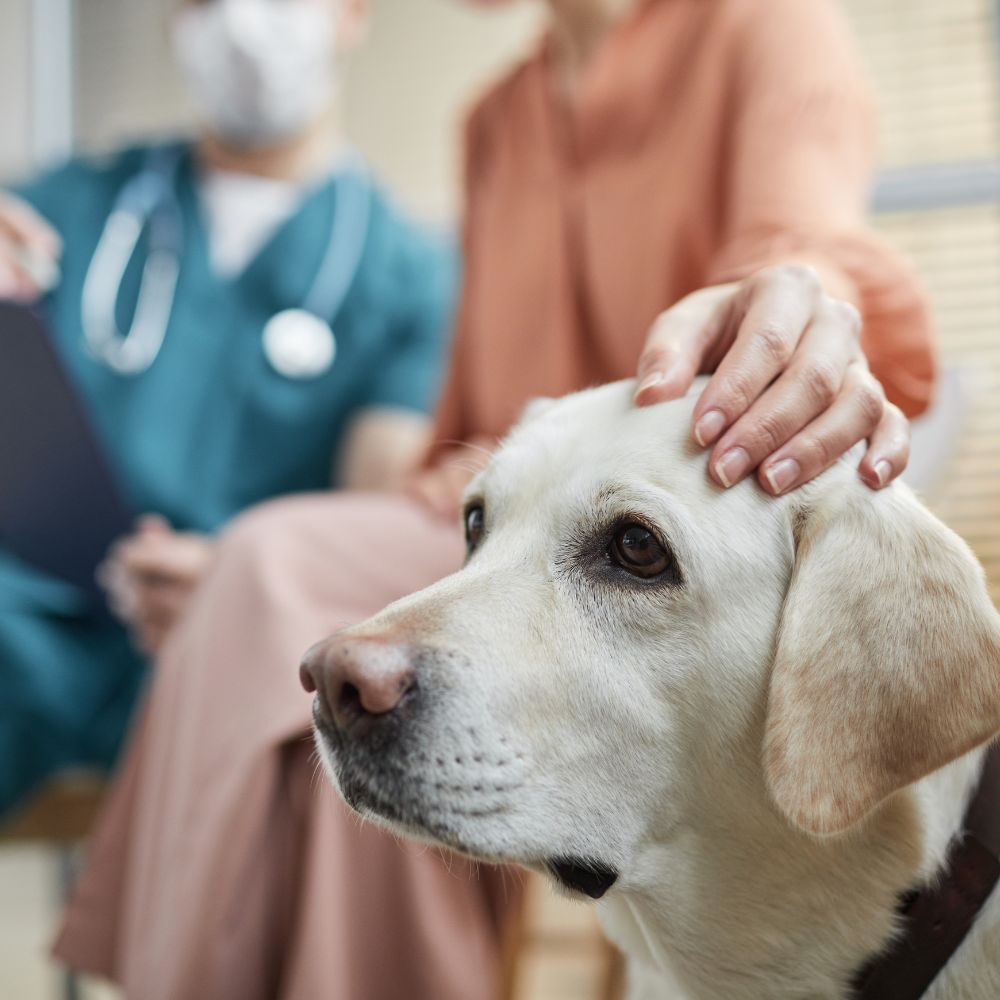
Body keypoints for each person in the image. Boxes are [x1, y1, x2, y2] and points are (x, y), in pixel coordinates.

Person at [55, 1, 935, 998]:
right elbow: (465, 440)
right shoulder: (495, 119)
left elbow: (805, 240)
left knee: (277, 575)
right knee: (269, 584)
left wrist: (799, 298)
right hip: (492, 529)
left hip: (675, 542)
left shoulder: (759, 26)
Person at [0, 0, 455, 816]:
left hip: (232, 653)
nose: (243, 22)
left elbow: (364, 525)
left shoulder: (407, 275)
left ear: (352, 12)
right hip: (28, 635)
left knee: (287, 755)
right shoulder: (75, 207)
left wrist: (239, 589)